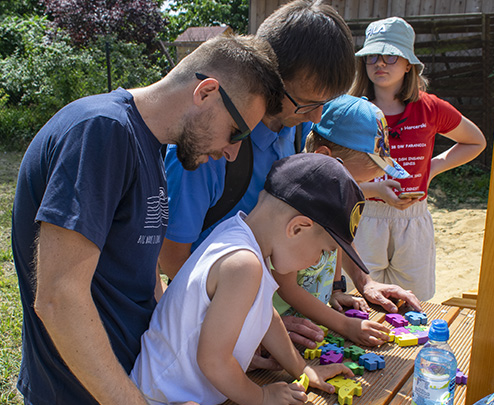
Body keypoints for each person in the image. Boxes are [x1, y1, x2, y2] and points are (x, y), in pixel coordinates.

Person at [11, 34, 285, 405]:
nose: (232, 152)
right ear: (206, 92)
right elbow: (57, 296)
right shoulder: (101, 132)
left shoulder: (148, 146)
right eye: (236, 132)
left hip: (131, 390)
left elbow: (140, 282)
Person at [160, 0, 420, 351]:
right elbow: (173, 259)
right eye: (308, 104)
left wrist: (362, 282)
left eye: (325, 104)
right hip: (212, 329)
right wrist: (252, 320)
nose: (317, 119)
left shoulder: (296, 129)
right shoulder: (210, 148)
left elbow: (325, 212)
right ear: (268, 79)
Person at [131, 154, 359, 405]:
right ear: (297, 228)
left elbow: (266, 315)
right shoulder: (244, 264)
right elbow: (214, 361)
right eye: (324, 250)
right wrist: (262, 398)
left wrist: (302, 369)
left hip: (182, 398)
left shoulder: (241, 236)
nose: (319, 260)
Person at [348, 17, 487, 301]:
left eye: (391, 56)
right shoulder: (350, 111)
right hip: (362, 216)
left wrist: (432, 169)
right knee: (359, 301)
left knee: (412, 303)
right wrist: (374, 190)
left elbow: (475, 141)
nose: (380, 63)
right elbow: (331, 171)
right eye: (372, 56)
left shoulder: (430, 108)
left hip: (413, 219)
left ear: (408, 64)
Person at [273, 95, 411, 347]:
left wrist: (337, 289)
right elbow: (287, 287)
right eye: (355, 183)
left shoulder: (333, 195)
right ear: (324, 157)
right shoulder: (295, 206)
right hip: (281, 332)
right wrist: (346, 325)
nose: (357, 192)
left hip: (316, 325)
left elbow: (338, 240)